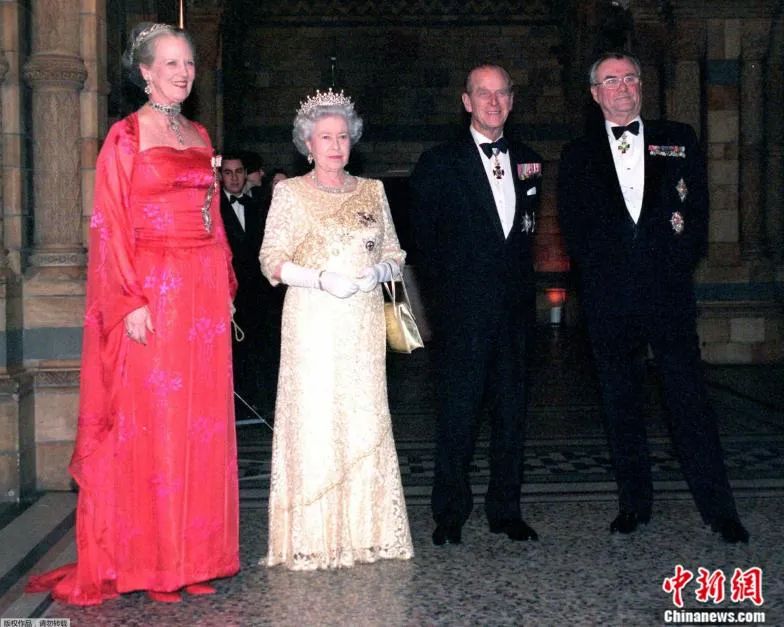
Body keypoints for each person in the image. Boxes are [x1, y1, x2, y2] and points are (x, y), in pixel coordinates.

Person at [25, 23, 240, 605]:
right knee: (157, 426)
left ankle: (195, 558)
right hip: (152, 289)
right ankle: (152, 563)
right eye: (170, 63)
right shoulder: (124, 136)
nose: (183, 72)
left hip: (200, 292)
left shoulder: (198, 133)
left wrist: (223, 280)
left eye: (188, 63)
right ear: (145, 71)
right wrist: (129, 300)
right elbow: (109, 222)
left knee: (201, 425)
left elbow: (212, 214)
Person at [557, 51, 749, 543]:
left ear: (641, 86)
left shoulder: (678, 137)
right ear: (595, 93)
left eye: (630, 78)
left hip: (668, 295)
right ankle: (634, 504)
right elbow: (574, 231)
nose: (622, 87)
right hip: (609, 301)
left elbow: (698, 213)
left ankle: (720, 510)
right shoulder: (577, 154)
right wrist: (608, 280)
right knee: (620, 404)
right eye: (611, 80)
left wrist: (672, 268)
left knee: (690, 402)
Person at [259, 88, 414, 570]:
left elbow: (395, 252)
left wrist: (378, 273)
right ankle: (312, 538)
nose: (335, 145)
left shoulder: (373, 191)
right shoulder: (289, 193)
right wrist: (320, 278)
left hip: (363, 321)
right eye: (325, 137)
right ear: (308, 143)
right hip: (312, 320)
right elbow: (270, 259)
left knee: (364, 416)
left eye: (343, 136)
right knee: (316, 418)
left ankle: (367, 533)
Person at [409, 63, 541, 546]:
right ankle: (449, 512)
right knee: (457, 417)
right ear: (466, 101)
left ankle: (506, 510)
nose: (493, 102)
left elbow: (524, 238)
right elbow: (423, 241)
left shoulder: (529, 160)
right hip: (461, 316)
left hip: (515, 317)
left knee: (511, 417)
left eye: (501, 93)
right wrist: (447, 304)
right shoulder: (438, 162)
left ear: (512, 100)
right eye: (483, 93)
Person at [220, 151, 281, 419]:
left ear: (246, 174)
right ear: (220, 176)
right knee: (236, 352)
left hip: (260, 294)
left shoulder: (258, 205)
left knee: (263, 348)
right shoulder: (214, 209)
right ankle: (239, 409)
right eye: (228, 172)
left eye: (238, 172)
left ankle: (264, 404)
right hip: (231, 293)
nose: (234, 178)